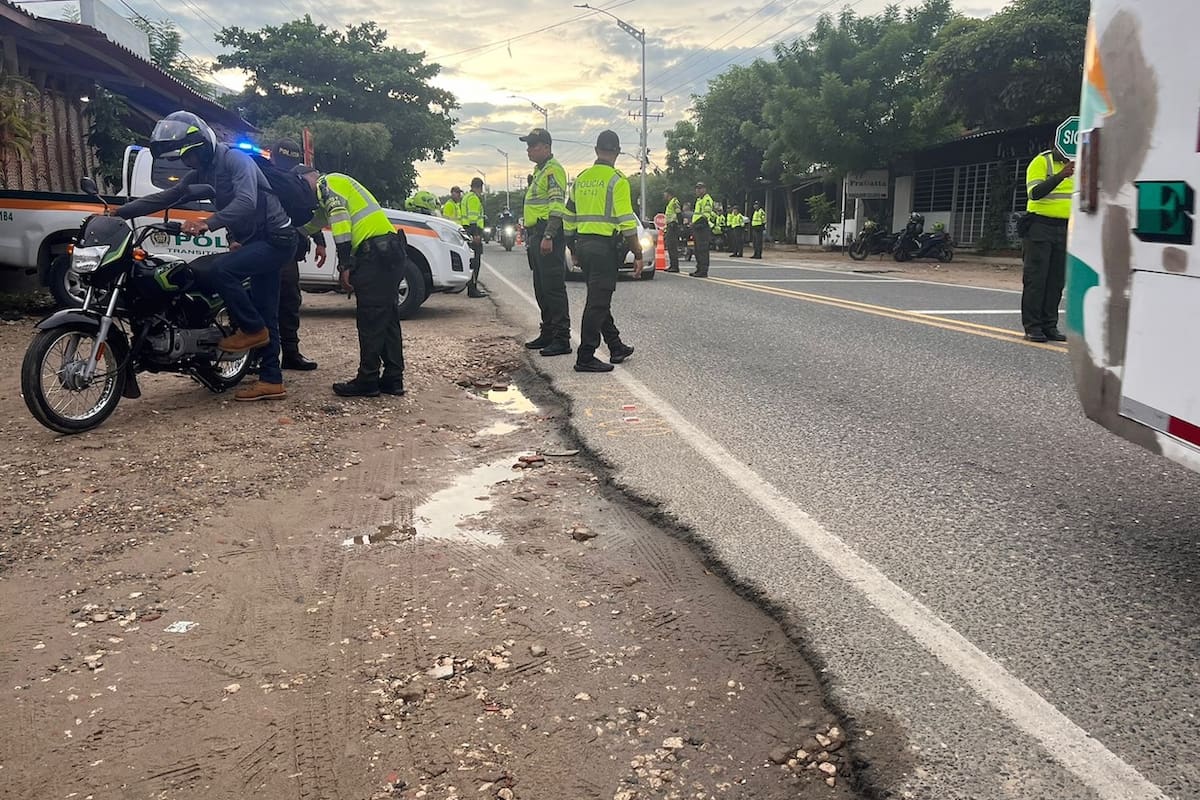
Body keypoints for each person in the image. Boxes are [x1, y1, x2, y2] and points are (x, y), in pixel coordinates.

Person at [115, 111, 295, 401]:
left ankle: (252, 330)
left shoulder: (237, 160)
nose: (190, 162)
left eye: (193, 154)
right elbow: (165, 197)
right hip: (254, 241)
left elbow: (247, 202)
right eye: (185, 158)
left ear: (206, 144)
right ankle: (271, 380)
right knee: (265, 311)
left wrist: (207, 223)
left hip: (277, 239)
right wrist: (118, 212)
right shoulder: (202, 173)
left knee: (223, 270)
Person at [295, 166, 407, 397]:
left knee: (371, 321)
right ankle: (393, 379)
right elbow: (314, 223)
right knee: (387, 320)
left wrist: (345, 264)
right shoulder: (338, 187)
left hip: (374, 256)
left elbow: (341, 221)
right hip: (389, 253)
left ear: (308, 179)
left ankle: (368, 380)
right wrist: (293, 231)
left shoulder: (326, 185)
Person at [564, 130, 641, 373]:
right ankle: (585, 356)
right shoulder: (617, 181)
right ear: (617, 153)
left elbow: (568, 217)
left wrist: (572, 248)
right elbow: (628, 223)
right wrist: (637, 254)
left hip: (584, 247)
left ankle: (615, 345)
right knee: (597, 302)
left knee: (599, 298)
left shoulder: (582, 178)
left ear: (597, 151)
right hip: (603, 249)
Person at [267, 138, 319, 371]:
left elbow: (305, 215)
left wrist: (319, 241)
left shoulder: (294, 183)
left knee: (288, 302)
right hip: (263, 247)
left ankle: (290, 353)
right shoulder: (263, 177)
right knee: (265, 302)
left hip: (286, 251)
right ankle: (262, 356)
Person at [519, 127, 571, 356]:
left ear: (547, 147)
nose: (529, 150)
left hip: (547, 234)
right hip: (536, 235)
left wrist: (549, 235)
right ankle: (548, 332)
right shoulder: (539, 171)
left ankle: (562, 338)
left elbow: (557, 206)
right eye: (528, 145)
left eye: (533, 145)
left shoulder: (553, 171)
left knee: (553, 288)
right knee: (541, 287)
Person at [1021, 141, 1074, 343]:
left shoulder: (1078, 165)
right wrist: (1061, 176)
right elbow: (1034, 193)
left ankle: (1049, 325)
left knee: (1056, 281)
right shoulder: (1041, 162)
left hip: (1065, 228)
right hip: (1039, 227)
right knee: (1037, 279)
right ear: (1055, 144)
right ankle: (1033, 327)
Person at [462, 177, 488, 298]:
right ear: (479, 187)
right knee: (475, 262)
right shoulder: (473, 198)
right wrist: (476, 234)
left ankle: (472, 287)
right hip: (473, 232)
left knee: (472, 261)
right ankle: (472, 289)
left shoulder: (466, 197)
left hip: (467, 231)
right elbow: (473, 218)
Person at [690, 182, 715, 277]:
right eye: (696, 188)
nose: (698, 190)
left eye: (700, 188)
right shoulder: (699, 200)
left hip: (702, 227)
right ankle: (699, 268)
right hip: (697, 228)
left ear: (704, 189)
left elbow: (706, 216)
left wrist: (695, 224)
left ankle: (703, 270)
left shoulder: (707, 200)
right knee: (697, 250)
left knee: (702, 250)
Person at [663, 189, 682, 272]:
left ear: (669, 194)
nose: (664, 196)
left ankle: (675, 266)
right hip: (670, 226)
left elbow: (678, 213)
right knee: (670, 247)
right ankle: (672, 265)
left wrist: (680, 225)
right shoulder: (670, 203)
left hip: (673, 226)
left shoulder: (674, 202)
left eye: (665, 194)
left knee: (673, 247)